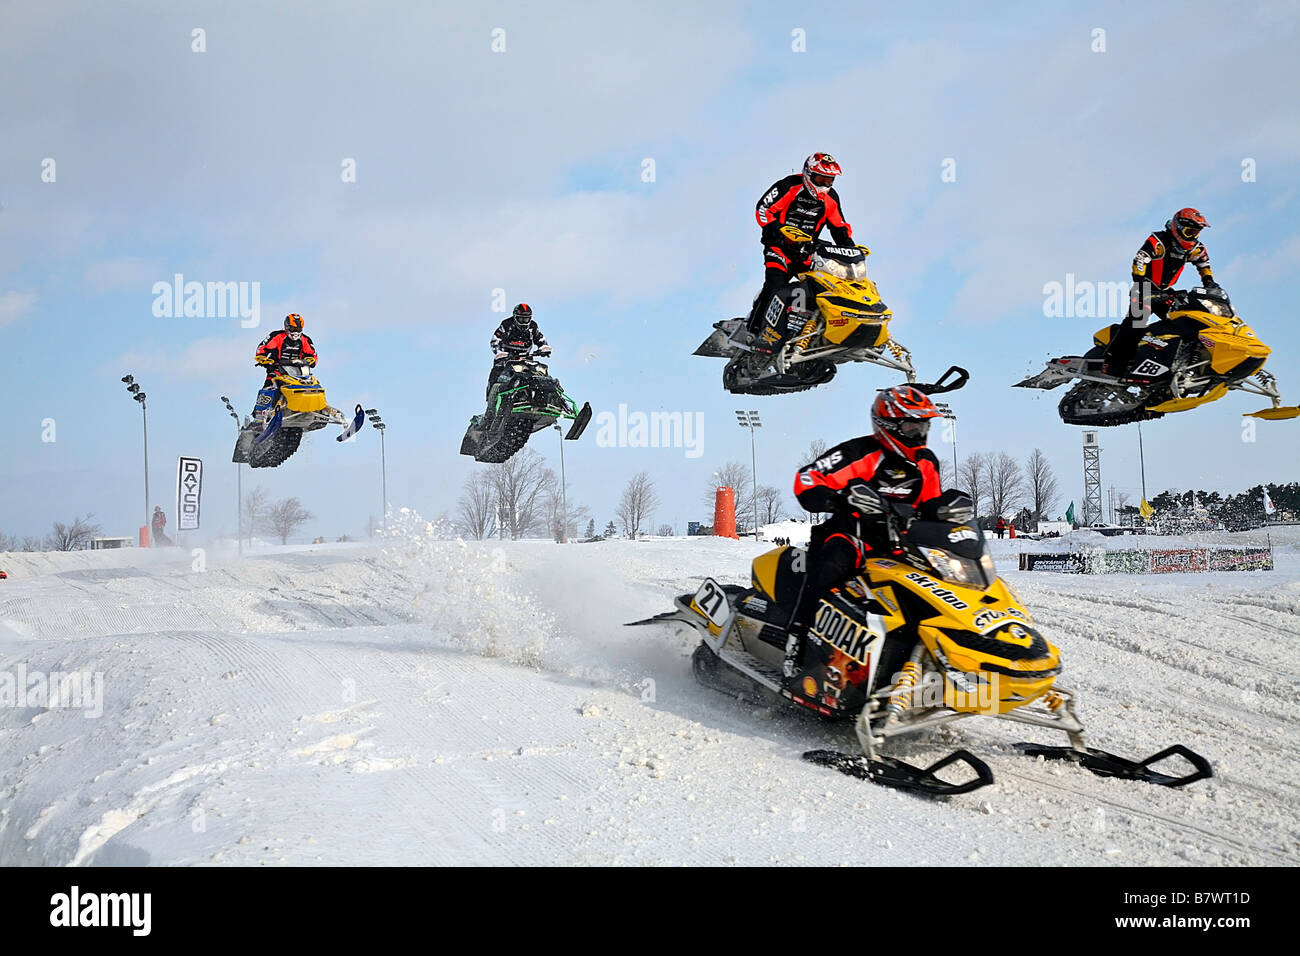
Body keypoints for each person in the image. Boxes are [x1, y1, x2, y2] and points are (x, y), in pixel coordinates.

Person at [784, 384, 954, 680]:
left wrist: (951, 512)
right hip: (852, 534)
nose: (919, 433)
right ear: (888, 425)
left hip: (899, 546)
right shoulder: (859, 452)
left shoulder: (926, 462)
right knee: (830, 565)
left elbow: (930, 505)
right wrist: (838, 497)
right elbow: (807, 479)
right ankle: (795, 643)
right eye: (911, 426)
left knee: (941, 586)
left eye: (923, 425)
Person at [746, 153, 856, 352]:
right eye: (821, 179)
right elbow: (763, 208)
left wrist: (849, 248)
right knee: (776, 285)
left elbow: (839, 226)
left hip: (808, 253)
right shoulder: (789, 186)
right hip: (780, 248)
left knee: (827, 287)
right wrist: (774, 231)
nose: (824, 184)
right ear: (808, 173)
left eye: (829, 180)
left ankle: (815, 334)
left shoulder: (831, 198)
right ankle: (754, 331)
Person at [1104, 208, 1218, 377]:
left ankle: (1171, 360)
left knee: (1186, 320)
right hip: (1144, 287)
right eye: (1190, 231)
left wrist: (1209, 282)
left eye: (1196, 232)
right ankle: (1112, 363)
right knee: (1137, 320)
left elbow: (1203, 264)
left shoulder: (1194, 248)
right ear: (1178, 228)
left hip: (1165, 291)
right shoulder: (1159, 241)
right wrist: (1140, 280)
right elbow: (1140, 259)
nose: (1193, 236)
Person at [252, 314, 317, 419]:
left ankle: (319, 409)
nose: (295, 331)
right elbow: (262, 347)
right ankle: (259, 415)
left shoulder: (305, 340)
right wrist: (262, 357)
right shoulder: (277, 336)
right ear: (287, 327)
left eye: (298, 329)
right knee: (270, 385)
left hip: (299, 373)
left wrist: (311, 359)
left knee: (313, 384)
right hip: (278, 370)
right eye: (293, 328)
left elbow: (313, 353)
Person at [486, 303, 551, 401]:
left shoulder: (533, 327)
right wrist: (500, 352)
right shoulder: (506, 324)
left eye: (526, 319)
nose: (524, 322)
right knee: (496, 374)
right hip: (506, 359)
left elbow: (540, 339)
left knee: (541, 373)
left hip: (526, 359)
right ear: (515, 317)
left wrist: (544, 348)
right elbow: (495, 340)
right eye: (521, 319)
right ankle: (491, 403)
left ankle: (550, 398)